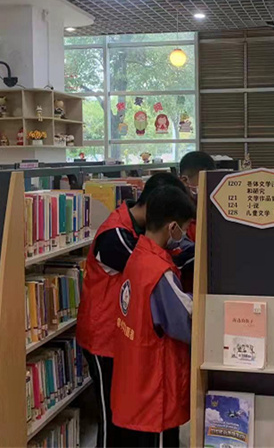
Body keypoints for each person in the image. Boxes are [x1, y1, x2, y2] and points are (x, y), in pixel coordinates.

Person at [78, 172, 187, 448]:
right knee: (112, 417)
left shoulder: (140, 231)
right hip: (104, 338)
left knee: (131, 417)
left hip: (126, 339)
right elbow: (149, 269)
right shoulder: (115, 235)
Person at [111, 185, 196, 448]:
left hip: (134, 381)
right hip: (154, 391)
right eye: (184, 229)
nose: (184, 236)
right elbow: (184, 323)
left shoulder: (139, 255)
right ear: (173, 228)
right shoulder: (159, 271)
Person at [179, 151, 216, 242]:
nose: (207, 186)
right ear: (184, 180)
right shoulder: (179, 215)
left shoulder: (210, 206)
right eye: (202, 181)